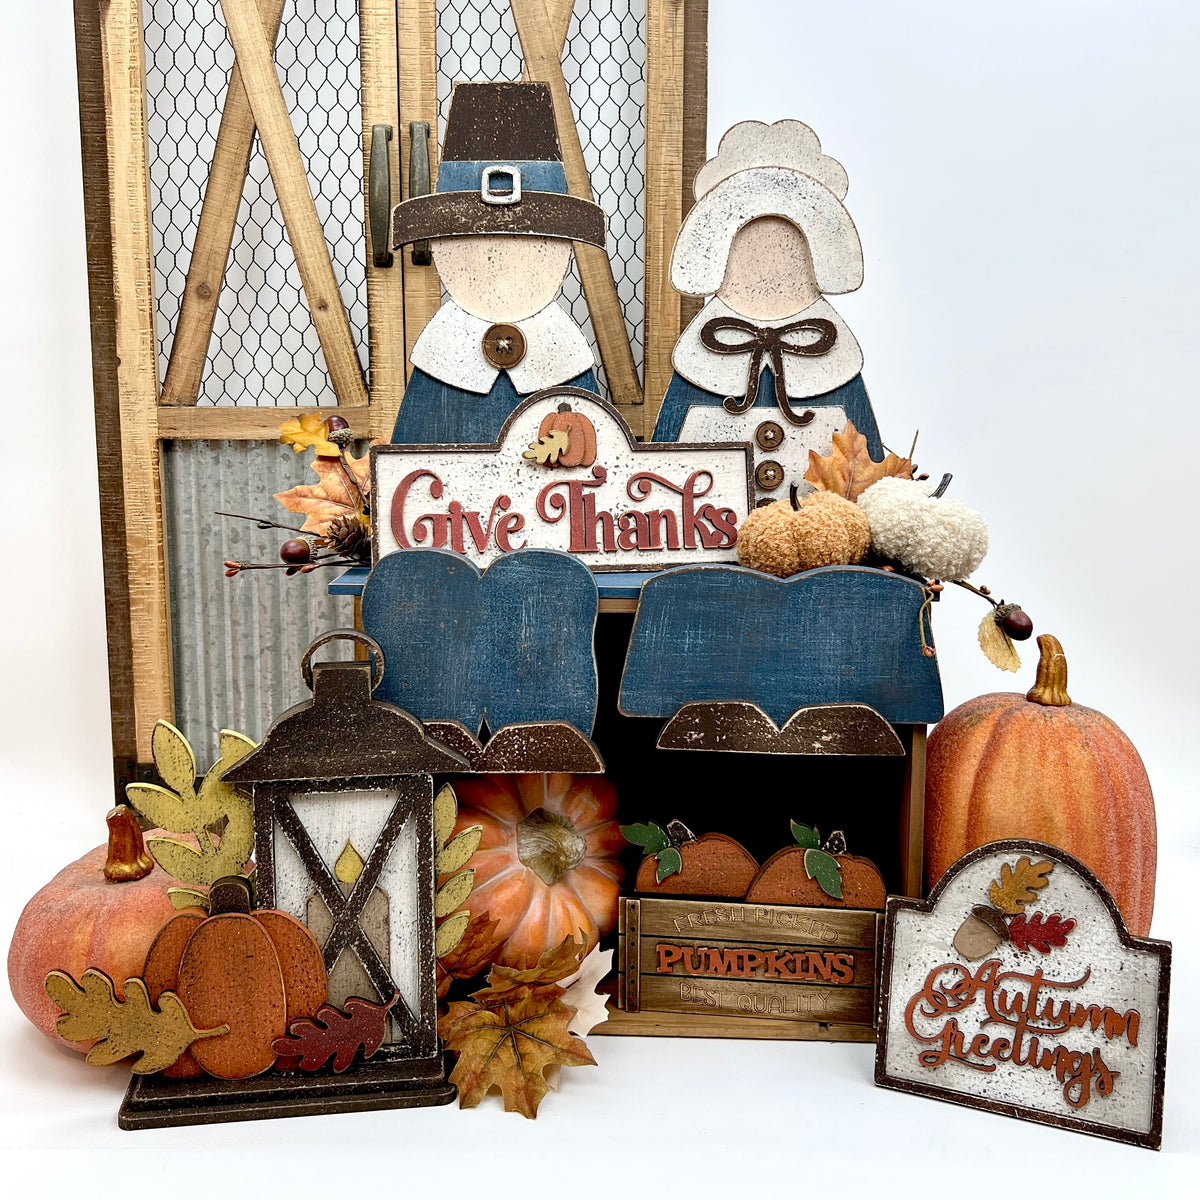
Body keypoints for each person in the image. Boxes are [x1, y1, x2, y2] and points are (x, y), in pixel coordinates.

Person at [652, 120, 886, 506]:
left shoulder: (833, 358)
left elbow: (869, 468)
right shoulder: (703, 358)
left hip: (821, 542)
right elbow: (660, 471)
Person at [389, 82, 605, 445]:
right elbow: (411, 461)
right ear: (441, 244)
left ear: (563, 246)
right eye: (473, 243)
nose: (502, 260)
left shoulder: (564, 351)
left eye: (530, 242)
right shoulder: (441, 351)